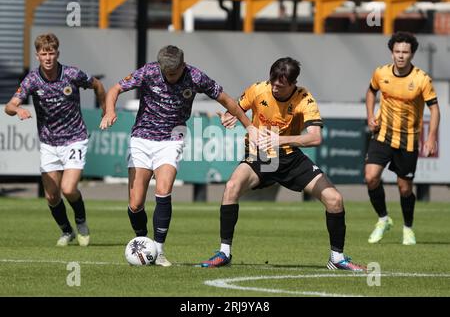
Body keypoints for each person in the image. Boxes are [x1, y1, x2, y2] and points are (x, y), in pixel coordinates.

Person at [200, 57, 365, 271]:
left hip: (290, 158)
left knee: (334, 199)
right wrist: (230, 118)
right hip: (261, 156)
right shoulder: (258, 89)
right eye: (273, 82)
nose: (275, 87)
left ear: (293, 84)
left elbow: (315, 138)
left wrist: (281, 140)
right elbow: (237, 110)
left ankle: (337, 258)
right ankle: (224, 253)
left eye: (281, 85)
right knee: (231, 187)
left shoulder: (304, 99)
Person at [99, 45, 256, 267]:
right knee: (135, 204)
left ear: (183, 65)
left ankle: (159, 250)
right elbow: (115, 89)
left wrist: (248, 125)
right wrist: (110, 111)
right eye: (167, 73)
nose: (171, 78)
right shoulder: (148, 72)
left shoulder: (195, 76)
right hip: (142, 138)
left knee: (163, 190)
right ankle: (144, 242)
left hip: (172, 138)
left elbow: (226, 99)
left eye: (175, 73)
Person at [4, 33, 106, 247]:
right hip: (49, 143)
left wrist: (106, 109)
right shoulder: (32, 79)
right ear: (37, 55)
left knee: (68, 189)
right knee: (51, 196)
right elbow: (9, 106)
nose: (48, 57)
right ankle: (66, 231)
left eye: (51, 53)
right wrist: (18, 110)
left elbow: (97, 84)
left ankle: (81, 223)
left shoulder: (71, 74)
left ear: (57, 53)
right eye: (44, 53)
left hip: (74, 139)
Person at [365, 31, 440, 246]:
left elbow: (435, 109)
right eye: (397, 51)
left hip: (408, 139)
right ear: (391, 53)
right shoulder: (381, 73)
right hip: (382, 135)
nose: (400, 56)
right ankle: (383, 219)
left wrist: (431, 137)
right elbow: (371, 92)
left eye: (405, 52)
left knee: (405, 188)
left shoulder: (421, 79)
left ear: (412, 54)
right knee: (371, 177)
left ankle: (408, 228)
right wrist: (371, 115)